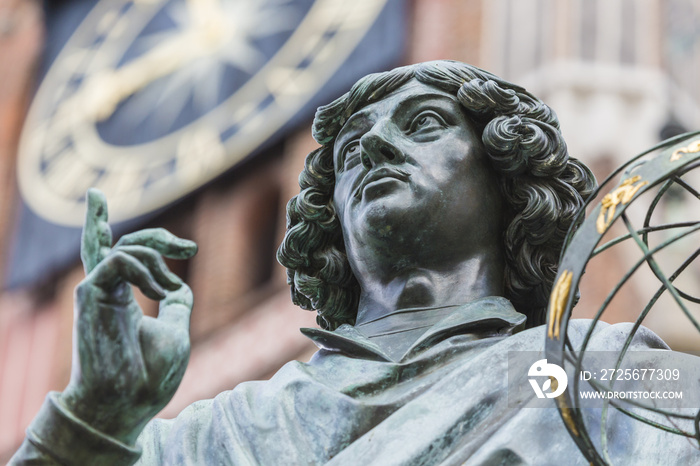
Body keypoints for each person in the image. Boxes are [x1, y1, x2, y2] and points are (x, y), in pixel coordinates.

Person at [10, 61, 697, 465]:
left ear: (507, 179)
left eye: (421, 123)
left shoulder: (609, 374)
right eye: (349, 151)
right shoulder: (219, 434)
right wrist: (89, 420)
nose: (375, 149)